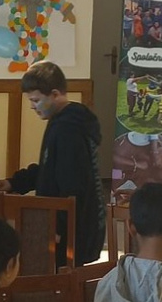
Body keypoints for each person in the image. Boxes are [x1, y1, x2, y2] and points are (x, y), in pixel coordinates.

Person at [8, 62, 104, 267]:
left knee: (62, 276)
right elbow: (49, 168)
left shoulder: (68, 130)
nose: (32, 106)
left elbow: (73, 187)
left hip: (71, 228)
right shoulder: (60, 121)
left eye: (36, 100)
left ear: (54, 94)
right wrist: (15, 183)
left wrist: (56, 227)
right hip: (63, 222)